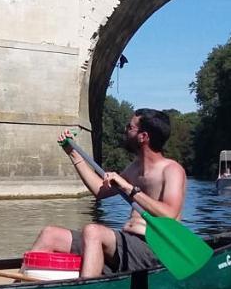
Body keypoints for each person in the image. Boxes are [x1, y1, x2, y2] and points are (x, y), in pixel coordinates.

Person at [30, 108, 186, 278]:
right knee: (50, 234)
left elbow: (170, 215)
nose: (125, 130)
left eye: (129, 127)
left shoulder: (171, 170)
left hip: (154, 250)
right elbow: (99, 190)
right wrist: (73, 154)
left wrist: (129, 188)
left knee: (93, 231)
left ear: (143, 136)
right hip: (125, 245)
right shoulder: (134, 168)